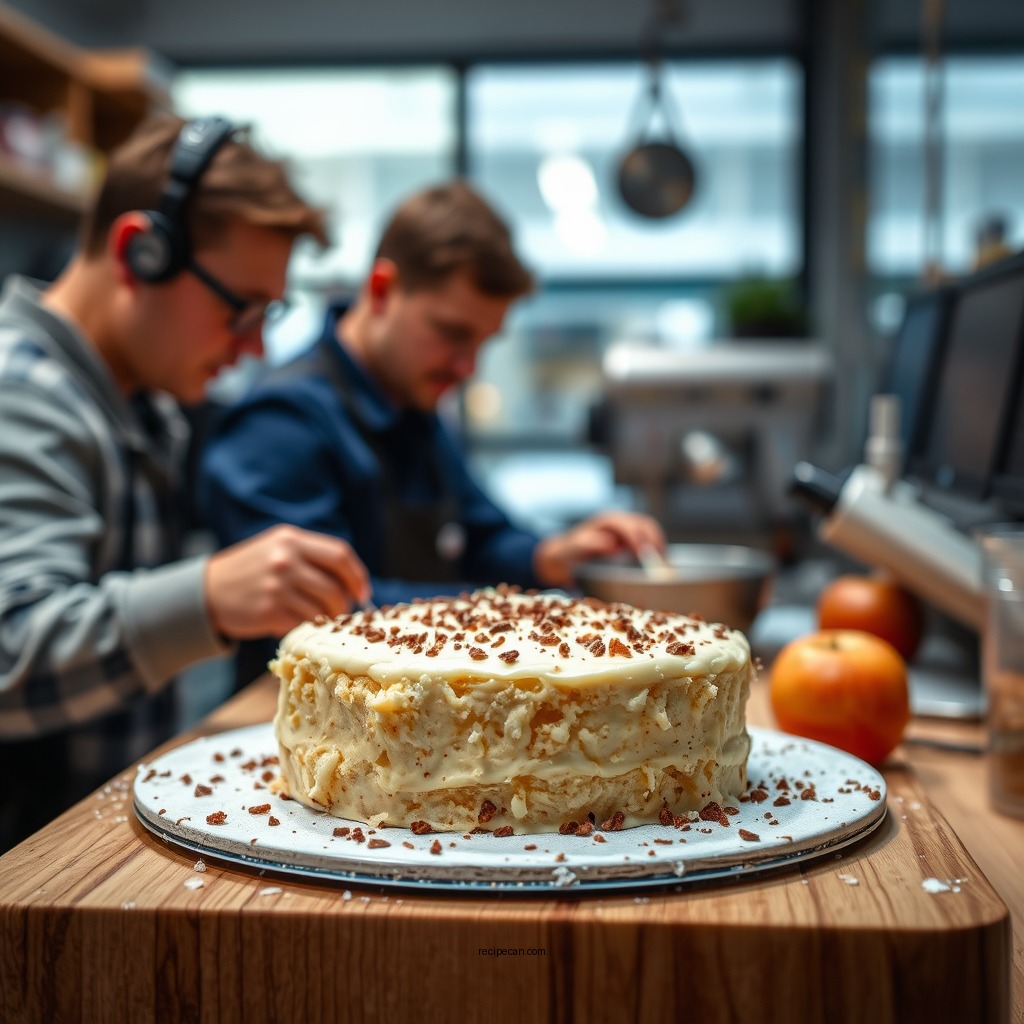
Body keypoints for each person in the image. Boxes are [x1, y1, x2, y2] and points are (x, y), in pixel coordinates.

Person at [0, 114, 370, 852]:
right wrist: (207, 596)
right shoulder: (21, 392)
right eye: (241, 309)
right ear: (141, 251)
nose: (258, 344)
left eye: (271, 313)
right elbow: (9, 655)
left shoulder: (145, 404)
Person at [199, 181, 665, 688]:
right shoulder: (279, 425)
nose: (467, 368)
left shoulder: (416, 408)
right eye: (452, 334)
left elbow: (482, 536)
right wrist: (507, 615)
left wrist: (549, 557)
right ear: (381, 290)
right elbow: (320, 612)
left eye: (482, 343)